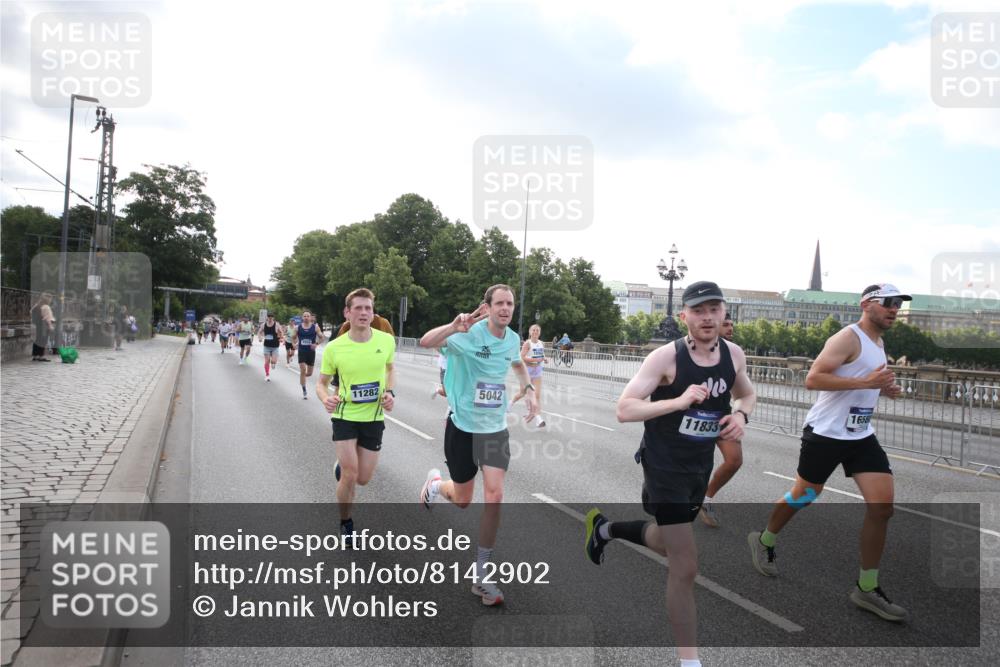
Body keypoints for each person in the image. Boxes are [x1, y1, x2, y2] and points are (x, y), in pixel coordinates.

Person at [584, 281, 755, 667]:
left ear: (724, 313)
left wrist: (741, 414)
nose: (707, 317)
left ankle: (605, 530)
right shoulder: (666, 358)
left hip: (698, 466)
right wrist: (677, 401)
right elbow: (625, 409)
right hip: (663, 466)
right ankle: (689, 661)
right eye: (699, 310)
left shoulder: (734, 355)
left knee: (665, 539)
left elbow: (747, 393)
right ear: (685, 317)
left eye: (714, 309)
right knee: (686, 564)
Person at [748, 284, 910, 623]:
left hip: (861, 435)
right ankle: (764, 539)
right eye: (888, 303)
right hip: (826, 433)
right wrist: (866, 382)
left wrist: (886, 389)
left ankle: (866, 588)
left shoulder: (879, 344)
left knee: (882, 509)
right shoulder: (846, 338)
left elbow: (867, 381)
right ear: (866, 304)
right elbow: (813, 378)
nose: (894, 309)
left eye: (898, 304)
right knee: (805, 494)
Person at [417, 284, 539, 606]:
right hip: (462, 427)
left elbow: (516, 361)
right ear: (486, 307)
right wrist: (453, 327)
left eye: (509, 304)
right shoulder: (466, 335)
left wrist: (528, 388)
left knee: (496, 495)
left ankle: (481, 576)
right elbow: (426, 342)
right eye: (499, 303)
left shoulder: (513, 339)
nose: (505, 308)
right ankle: (434, 485)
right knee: (462, 499)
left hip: (494, 429)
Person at [317, 289, 396, 548]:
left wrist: (390, 392)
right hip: (345, 414)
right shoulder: (335, 348)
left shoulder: (385, 341)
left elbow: (390, 368)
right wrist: (324, 397)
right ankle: (346, 522)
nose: (364, 313)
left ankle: (343, 467)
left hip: (373, 417)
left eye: (368, 308)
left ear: (373, 312)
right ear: (347, 312)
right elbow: (322, 383)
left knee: (363, 478)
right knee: (350, 475)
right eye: (359, 308)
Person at [699, 311, 742, 528]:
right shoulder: (692, 349)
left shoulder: (734, 354)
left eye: (732, 325)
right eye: (726, 324)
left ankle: (706, 499)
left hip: (721, 415)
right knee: (693, 466)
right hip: (694, 416)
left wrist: (740, 414)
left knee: (734, 460)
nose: (730, 328)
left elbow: (742, 391)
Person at [518, 323, 548, 427]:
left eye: (537, 330)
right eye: (533, 330)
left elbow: (541, 354)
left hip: (538, 371)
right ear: (530, 332)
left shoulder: (541, 343)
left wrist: (544, 358)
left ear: (540, 333)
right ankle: (534, 414)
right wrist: (534, 360)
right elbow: (522, 357)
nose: (535, 332)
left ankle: (537, 418)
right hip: (527, 371)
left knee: (537, 395)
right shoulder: (527, 343)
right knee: (526, 393)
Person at [293, 310, 326, 399]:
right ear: (302, 318)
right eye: (304, 316)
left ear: (311, 318)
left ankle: (302, 378)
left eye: (308, 316)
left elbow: (322, 337)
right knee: (303, 369)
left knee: (309, 373)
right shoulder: (297, 327)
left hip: (311, 352)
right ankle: (304, 390)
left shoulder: (315, 327)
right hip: (302, 351)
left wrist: (316, 344)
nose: (306, 317)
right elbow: (293, 337)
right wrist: (294, 344)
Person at [258, 313, 285, 381]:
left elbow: (281, 332)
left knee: (273, 361)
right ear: (267, 317)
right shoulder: (264, 324)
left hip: (275, 346)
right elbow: (259, 332)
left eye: (271, 317)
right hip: (266, 345)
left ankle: (273, 363)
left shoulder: (276, 324)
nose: (270, 318)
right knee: (267, 361)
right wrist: (260, 338)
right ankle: (267, 375)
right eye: (269, 317)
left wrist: (281, 338)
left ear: (273, 318)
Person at [30, 292, 55, 361]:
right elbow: (47, 318)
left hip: (38, 325)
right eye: (50, 298)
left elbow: (31, 312)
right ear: (48, 299)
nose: (51, 300)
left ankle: (35, 356)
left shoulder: (37, 305)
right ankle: (41, 356)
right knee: (43, 341)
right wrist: (50, 326)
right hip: (44, 326)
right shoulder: (46, 307)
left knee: (37, 340)